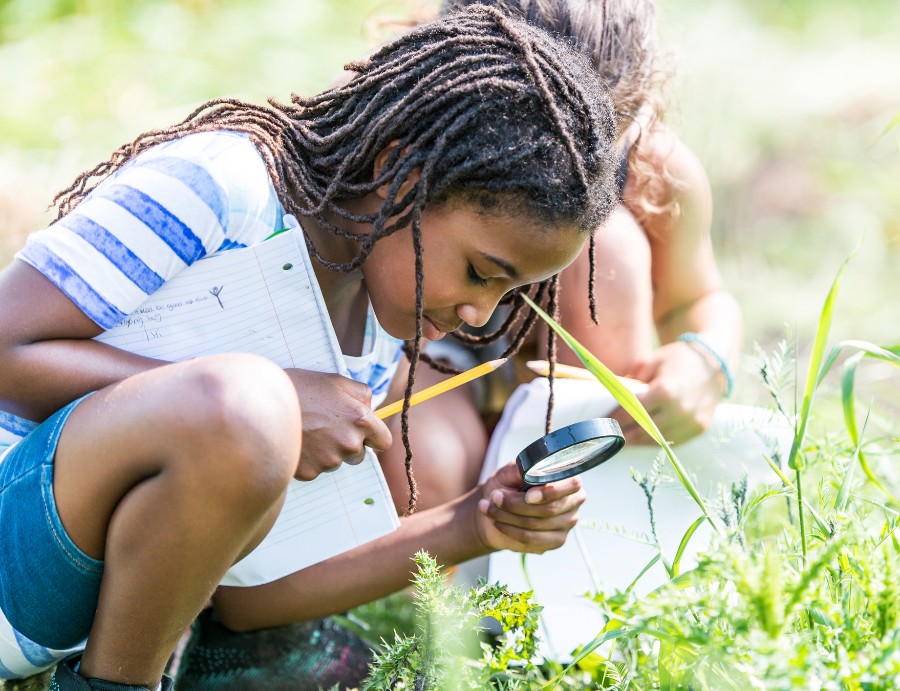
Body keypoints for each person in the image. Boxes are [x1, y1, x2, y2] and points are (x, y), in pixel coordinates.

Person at [0, 6, 619, 690]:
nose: (480, 312)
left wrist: (475, 522)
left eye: (510, 294)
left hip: (58, 617)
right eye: (480, 271)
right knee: (247, 406)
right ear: (401, 171)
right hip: (15, 539)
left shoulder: (376, 330)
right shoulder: (224, 186)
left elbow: (245, 596)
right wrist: (271, 401)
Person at [379, 0, 744, 513]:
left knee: (608, 248)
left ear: (631, 114)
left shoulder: (653, 169)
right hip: (428, 351)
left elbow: (699, 298)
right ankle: (447, 569)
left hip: (568, 370)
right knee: (425, 464)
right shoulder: (404, 121)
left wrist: (705, 360)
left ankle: (592, 523)